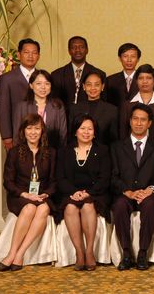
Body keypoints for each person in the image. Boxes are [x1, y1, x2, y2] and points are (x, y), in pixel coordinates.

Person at [0, 114, 56, 271]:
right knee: (30, 208)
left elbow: (54, 181)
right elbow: (8, 182)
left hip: (42, 195)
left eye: (37, 128)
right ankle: (11, 253)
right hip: (19, 196)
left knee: (43, 208)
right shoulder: (14, 152)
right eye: (29, 128)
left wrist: (46, 194)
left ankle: (20, 254)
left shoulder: (50, 153)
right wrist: (25, 195)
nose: (33, 132)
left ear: (42, 131)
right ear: (23, 131)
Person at [110, 104, 154, 271]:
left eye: (143, 120)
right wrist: (128, 192)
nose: (139, 123)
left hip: (149, 195)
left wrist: (149, 190)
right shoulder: (117, 147)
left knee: (149, 206)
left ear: (149, 123)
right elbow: (113, 176)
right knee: (119, 205)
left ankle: (142, 253)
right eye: (135, 119)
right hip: (126, 193)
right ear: (130, 121)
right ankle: (126, 253)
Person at [56, 114, 111, 271]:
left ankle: (89, 252)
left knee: (87, 207)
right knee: (70, 208)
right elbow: (61, 178)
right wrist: (74, 192)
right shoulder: (65, 151)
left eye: (90, 129)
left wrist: (88, 193)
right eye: (82, 128)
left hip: (95, 193)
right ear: (75, 131)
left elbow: (104, 178)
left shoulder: (102, 150)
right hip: (71, 193)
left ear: (94, 132)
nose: (86, 132)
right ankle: (79, 252)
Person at [0, 38, 41, 150]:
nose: (30, 56)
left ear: (38, 56)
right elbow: (3, 109)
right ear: (18, 54)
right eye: (26, 52)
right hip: (17, 134)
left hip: (40, 135)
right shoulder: (6, 79)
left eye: (34, 53)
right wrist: (7, 137)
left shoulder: (44, 77)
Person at [13, 70, 67, 149]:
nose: (43, 87)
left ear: (51, 86)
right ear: (31, 85)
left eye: (47, 83)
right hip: (27, 153)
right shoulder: (21, 107)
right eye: (38, 83)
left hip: (53, 152)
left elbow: (63, 135)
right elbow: (17, 136)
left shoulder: (58, 106)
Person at [119, 64, 154, 147]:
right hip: (131, 151)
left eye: (148, 78)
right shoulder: (127, 105)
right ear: (136, 81)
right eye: (141, 78)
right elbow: (123, 133)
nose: (145, 81)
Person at [51, 36, 102, 111]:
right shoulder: (56, 75)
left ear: (87, 50)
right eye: (73, 47)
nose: (77, 50)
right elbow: (54, 102)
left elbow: (102, 102)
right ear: (69, 51)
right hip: (64, 118)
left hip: (90, 118)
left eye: (81, 47)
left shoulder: (99, 74)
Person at [68, 70, 118, 145]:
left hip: (103, 153)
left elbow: (114, 140)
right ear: (84, 86)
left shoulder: (112, 110)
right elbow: (70, 136)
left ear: (102, 86)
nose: (93, 88)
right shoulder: (74, 109)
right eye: (89, 84)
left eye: (97, 84)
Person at [106, 43, 141, 109]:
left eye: (133, 56)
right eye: (125, 56)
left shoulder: (143, 80)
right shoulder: (110, 80)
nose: (129, 60)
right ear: (120, 58)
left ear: (138, 59)